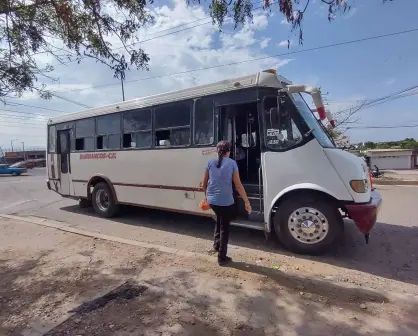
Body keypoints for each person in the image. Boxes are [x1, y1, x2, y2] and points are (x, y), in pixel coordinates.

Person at [202, 140, 252, 266]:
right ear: (228, 151)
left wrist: (207, 197)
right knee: (225, 228)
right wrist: (247, 202)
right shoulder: (232, 163)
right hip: (225, 202)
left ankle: (216, 246)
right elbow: (238, 185)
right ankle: (221, 258)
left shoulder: (209, 162)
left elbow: (204, 184)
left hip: (212, 200)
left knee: (219, 220)